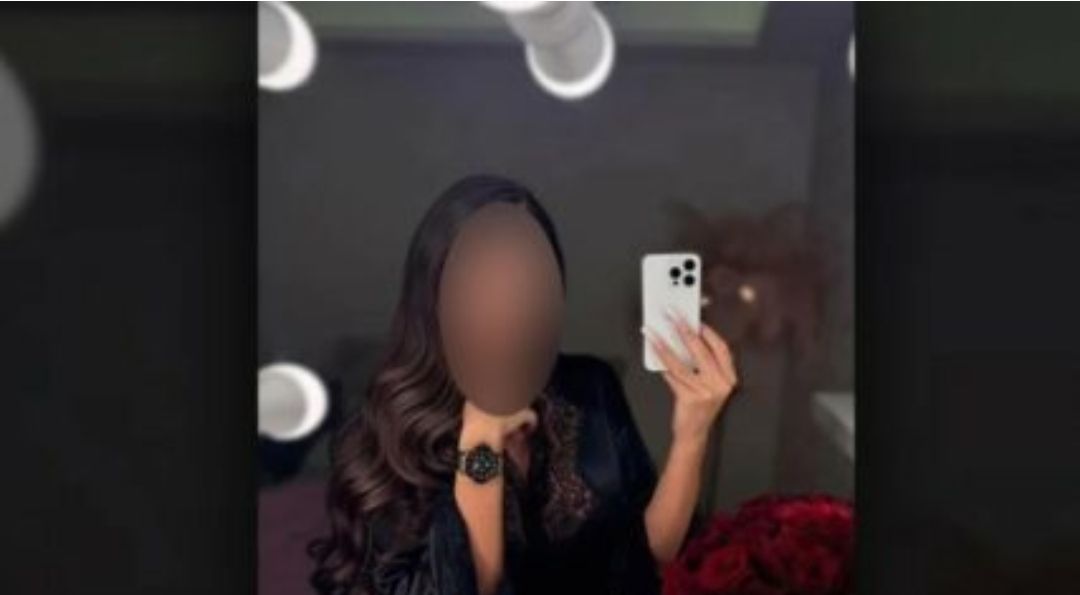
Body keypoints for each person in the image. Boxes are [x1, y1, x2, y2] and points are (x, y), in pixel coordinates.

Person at [309, 175, 738, 595]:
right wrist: (481, 446)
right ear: (436, 292)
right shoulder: (381, 435)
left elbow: (649, 558)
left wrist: (692, 432)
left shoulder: (590, 386)